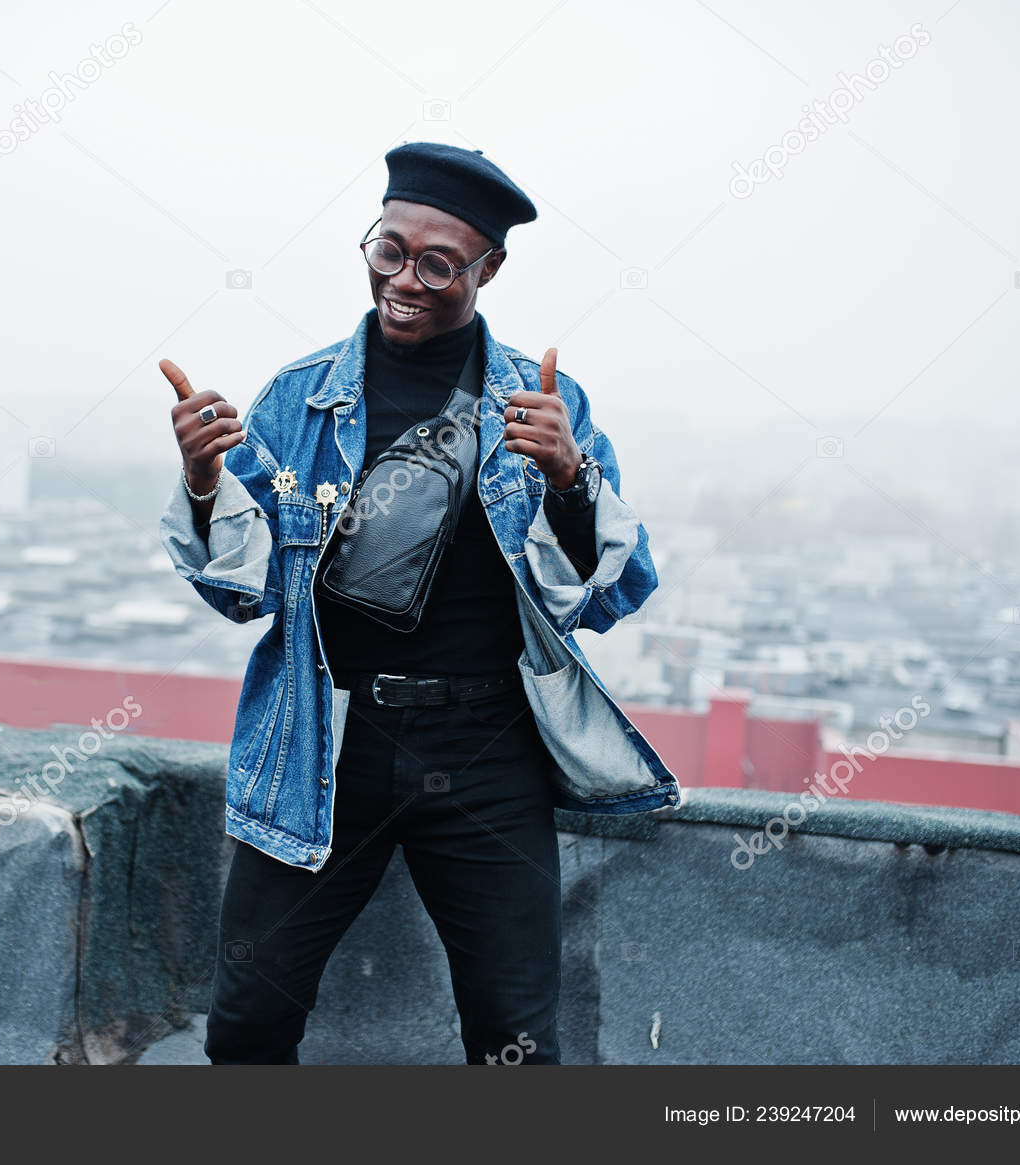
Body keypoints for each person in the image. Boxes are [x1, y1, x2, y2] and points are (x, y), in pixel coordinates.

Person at [159, 142, 679, 1065]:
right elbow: (237, 593)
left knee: (515, 1035)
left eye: (439, 263)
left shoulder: (542, 406)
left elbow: (610, 594)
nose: (404, 279)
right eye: (387, 249)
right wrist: (204, 483)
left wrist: (567, 478)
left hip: (488, 751)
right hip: (326, 737)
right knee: (246, 1019)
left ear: (491, 268)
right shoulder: (299, 401)